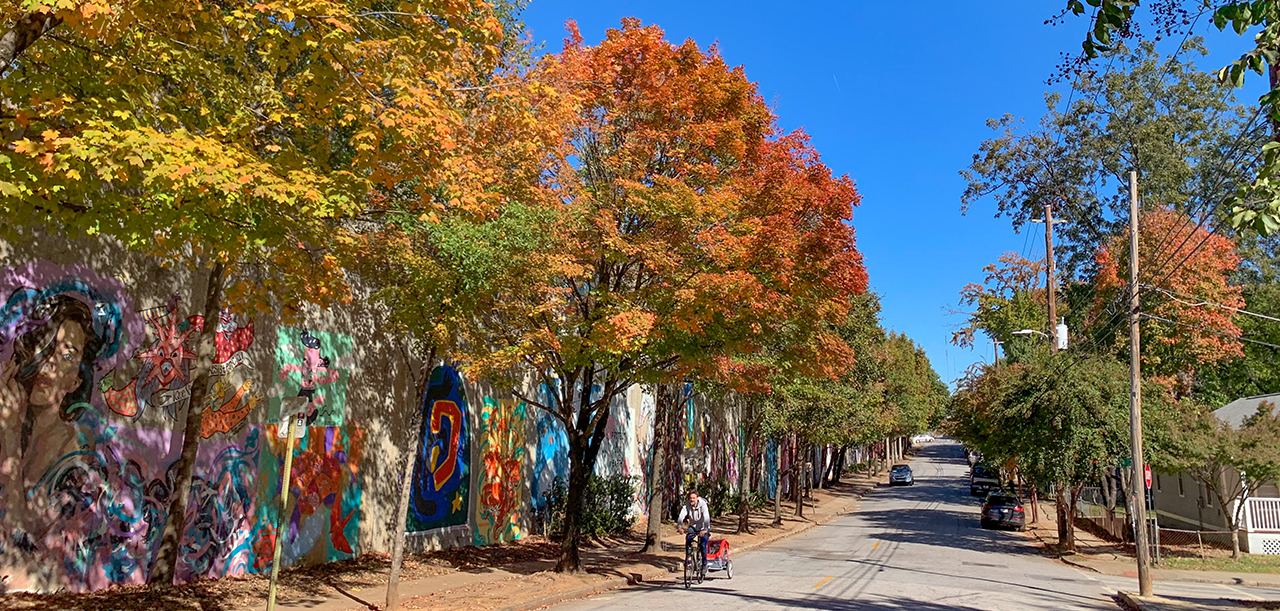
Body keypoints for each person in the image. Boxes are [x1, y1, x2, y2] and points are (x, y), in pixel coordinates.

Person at [677, 491, 711, 572]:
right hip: (693, 526)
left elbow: (706, 517)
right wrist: (679, 526)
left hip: (703, 527)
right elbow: (681, 515)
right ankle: (688, 558)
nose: (692, 500)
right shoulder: (687, 505)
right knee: (688, 538)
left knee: (703, 545)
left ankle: (704, 564)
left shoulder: (703, 505)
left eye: (693, 498)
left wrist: (705, 529)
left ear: (697, 498)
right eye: (690, 498)